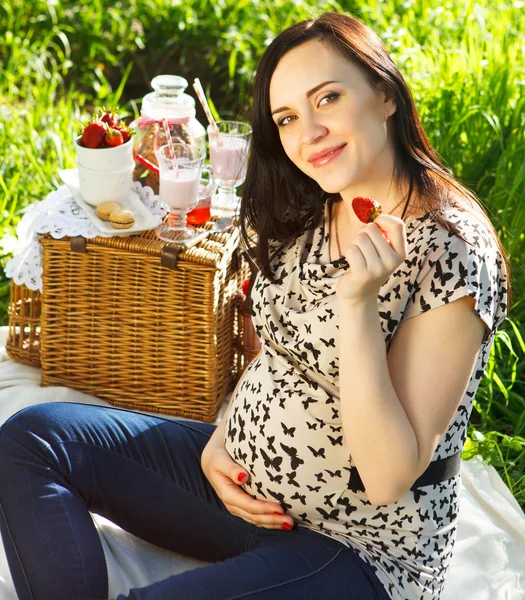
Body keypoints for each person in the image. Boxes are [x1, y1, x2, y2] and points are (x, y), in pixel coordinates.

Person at [0, 11, 510, 600]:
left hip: (355, 548)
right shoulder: (319, 198)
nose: (309, 132)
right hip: (244, 488)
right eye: (288, 117)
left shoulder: (451, 249)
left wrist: (357, 306)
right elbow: (281, 343)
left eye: (329, 98)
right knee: (30, 440)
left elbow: (388, 476)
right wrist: (225, 435)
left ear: (384, 92)